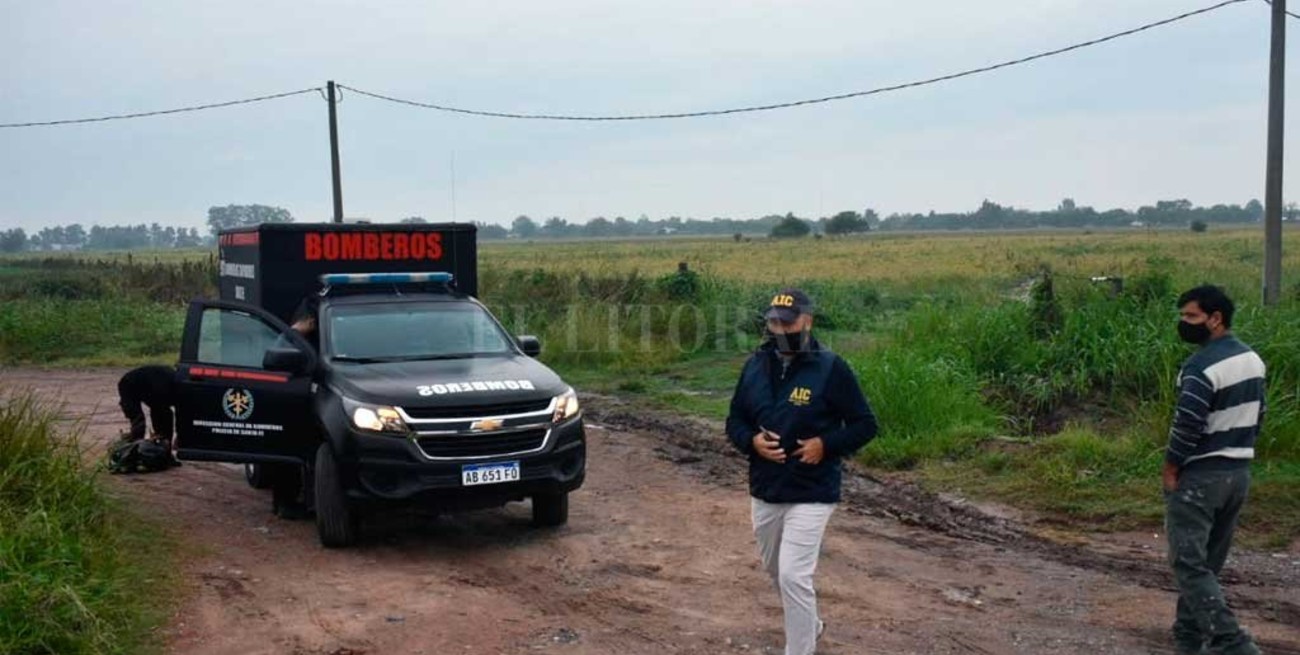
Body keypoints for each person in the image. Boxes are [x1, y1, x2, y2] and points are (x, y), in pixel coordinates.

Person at [725, 288, 878, 655]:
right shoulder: (755, 365)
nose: (779, 328)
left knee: (794, 575)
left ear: (806, 321)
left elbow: (864, 424)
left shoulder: (830, 368)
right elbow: (735, 419)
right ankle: (810, 624)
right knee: (777, 571)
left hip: (812, 489)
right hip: (766, 488)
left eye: (787, 321)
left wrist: (824, 445)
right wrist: (752, 442)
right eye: (772, 321)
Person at [1164, 285, 1265, 655]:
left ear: (1215, 318)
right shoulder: (1252, 360)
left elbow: (1187, 424)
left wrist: (1172, 467)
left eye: (1191, 316)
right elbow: (1260, 416)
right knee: (1207, 563)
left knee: (1189, 564)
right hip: (1238, 473)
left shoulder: (1200, 367)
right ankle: (1188, 640)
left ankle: (1231, 641)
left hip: (1201, 476)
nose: (1184, 324)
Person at [116, 364, 180, 468]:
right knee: (138, 419)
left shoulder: (176, 390)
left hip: (154, 385)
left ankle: (164, 453)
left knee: (163, 416)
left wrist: (179, 435)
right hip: (129, 384)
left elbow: (180, 416)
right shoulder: (164, 390)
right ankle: (133, 453)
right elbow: (161, 413)